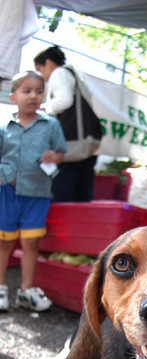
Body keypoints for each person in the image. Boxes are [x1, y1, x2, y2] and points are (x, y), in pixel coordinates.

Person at [0, 71, 67, 312]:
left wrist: (55, 156)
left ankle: (26, 290)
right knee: (3, 243)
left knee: (30, 243)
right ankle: (1, 289)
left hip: (37, 195)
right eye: (26, 91)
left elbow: (61, 152)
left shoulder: (51, 125)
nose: (33, 96)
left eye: (39, 91)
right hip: (6, 193)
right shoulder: (4, 128)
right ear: (13, 96)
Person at [34, 45, 96, 202]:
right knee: (82, 195)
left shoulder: (59, 73)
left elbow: (64, 100)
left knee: (63, 194)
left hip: (71, 144)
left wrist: (43, 107)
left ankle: (66, 227)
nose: (41, 75)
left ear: (48, 62)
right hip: (87, 143)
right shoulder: (75, 75)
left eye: (39, 69)